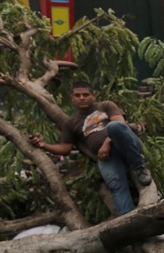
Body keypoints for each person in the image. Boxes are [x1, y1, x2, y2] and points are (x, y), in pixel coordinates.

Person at [30, 82, 152, 216]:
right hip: (108, 158)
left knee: (113, 127)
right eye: (78, 95)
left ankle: (139, 167)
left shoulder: (105, 106)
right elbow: (65, 148)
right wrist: (44, 145)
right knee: (116, 185)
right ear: (72, 98)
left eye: (86, 94)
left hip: (125, 144)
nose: (82, 98)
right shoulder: (71, 123)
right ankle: (130, 219)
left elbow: (120, 125)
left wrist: (106, 143)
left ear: (93, 95)